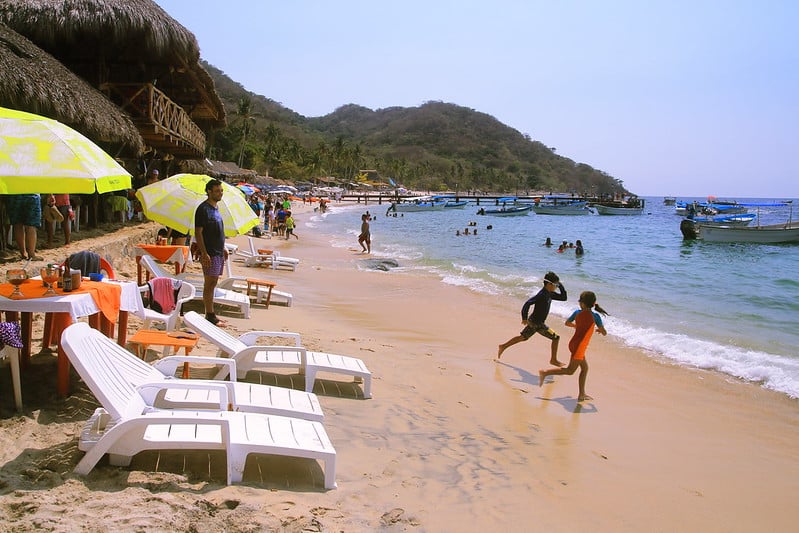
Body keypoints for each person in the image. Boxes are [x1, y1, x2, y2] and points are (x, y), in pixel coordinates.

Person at [539, 291, 608, 401]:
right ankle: (545, 372)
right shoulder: (595, 316)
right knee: (570, 371)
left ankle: (582, 394)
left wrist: (576, 326)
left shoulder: (577, 313)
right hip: (579, 347)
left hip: (574, 344)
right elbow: (604, 333)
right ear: (593, 303)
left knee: (584, 368)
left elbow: (567, 323)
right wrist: (600, 330)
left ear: (582, 303)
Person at [497, 271, 567, 366]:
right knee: (556, 338)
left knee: (523, 337)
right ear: (549, 284)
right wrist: (524, 317)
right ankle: (553, 360)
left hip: (534, 322)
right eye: (555, 285)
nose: (556, 287)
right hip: (536, 323)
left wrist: (560, 285)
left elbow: (564, 297)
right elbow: (527, 303)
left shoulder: (549, 293)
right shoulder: (542, 294)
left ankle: (503, 346)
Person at [194, 178, 227, 326]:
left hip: (218, 251)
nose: (220, 193)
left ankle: (211, 313)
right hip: (210, 252)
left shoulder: (216, 209)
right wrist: (204, 253)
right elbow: (198, 233)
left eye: (221, 190)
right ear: (209, 191)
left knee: (213, 282)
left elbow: (218, 231)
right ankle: (209, 314)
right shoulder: (203, 209)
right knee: (209, 283)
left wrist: (224, 247)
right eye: (217, 191)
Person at [7, 194, 43, 260]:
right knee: (31, 225)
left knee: (17, 224)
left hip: (14, 193)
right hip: (31, 192)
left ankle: (23, 253)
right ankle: (31, 254)